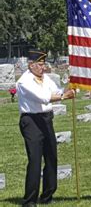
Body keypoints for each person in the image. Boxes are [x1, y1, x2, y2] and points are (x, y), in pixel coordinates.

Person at [17, 49, 75, 206]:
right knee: (35, 160)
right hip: (31, 121)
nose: (44, 68)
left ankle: (48, 195)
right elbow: (43, 98)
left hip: (46, 119)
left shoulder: (46, 79)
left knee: (51, 157)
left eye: (44, 65)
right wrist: (63, 96)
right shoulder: (24, 82)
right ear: (31, 65)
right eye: (41, 65)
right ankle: (30, 200)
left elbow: (57, 91)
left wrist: (70, 85)